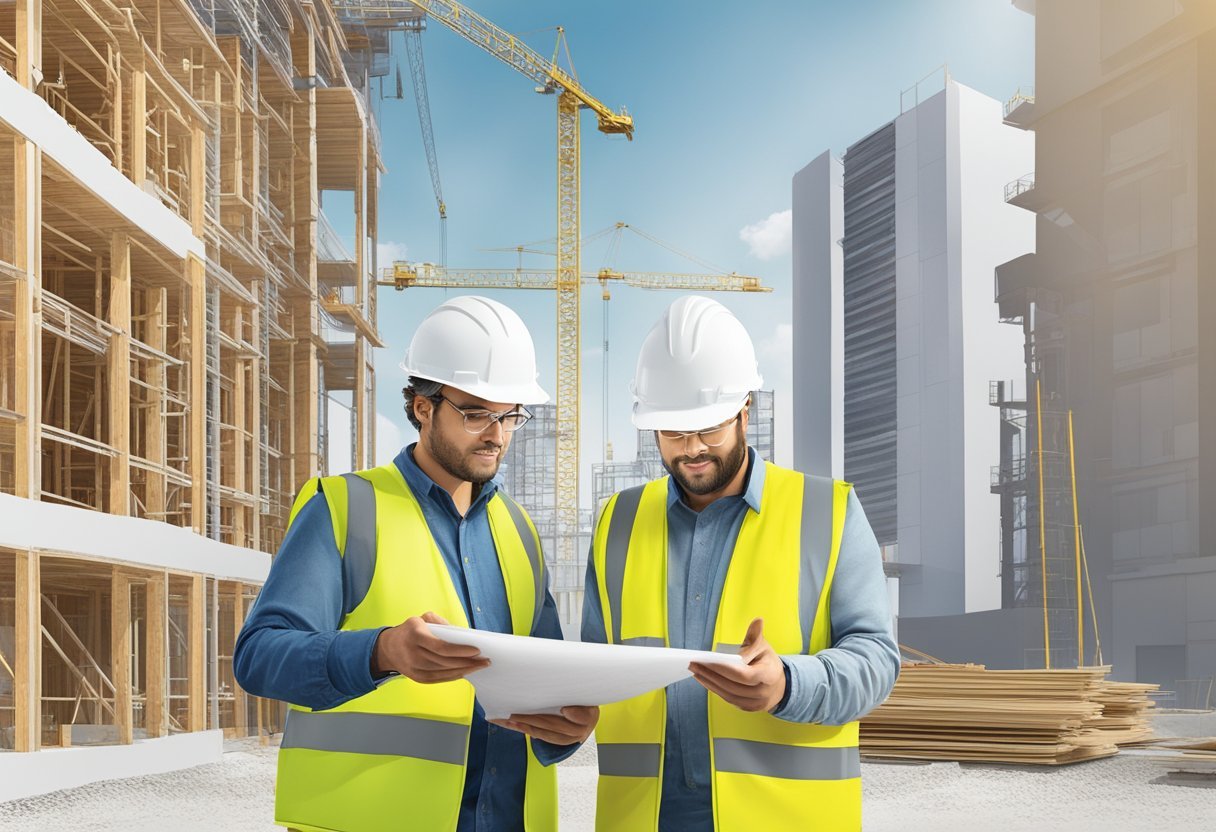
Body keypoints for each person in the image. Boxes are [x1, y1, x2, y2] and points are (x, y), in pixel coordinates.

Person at [235, 295, 597, 832]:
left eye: (510, 416)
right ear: (423, 408)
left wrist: (567, 727)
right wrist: (381, 652)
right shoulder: (346, 508)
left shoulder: (519, 529)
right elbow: (260, 656)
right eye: (476, 414)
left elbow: (543, 682)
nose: (496, 435)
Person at [583, 296, 899, 831]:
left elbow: (876, 660)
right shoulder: (619, 521)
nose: (692, 448)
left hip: (782, 818)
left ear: (744, 412)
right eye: (672, 432)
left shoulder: (827, 511)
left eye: (709, 428)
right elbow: (591, 668)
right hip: (641, 815)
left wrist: (788, 684)